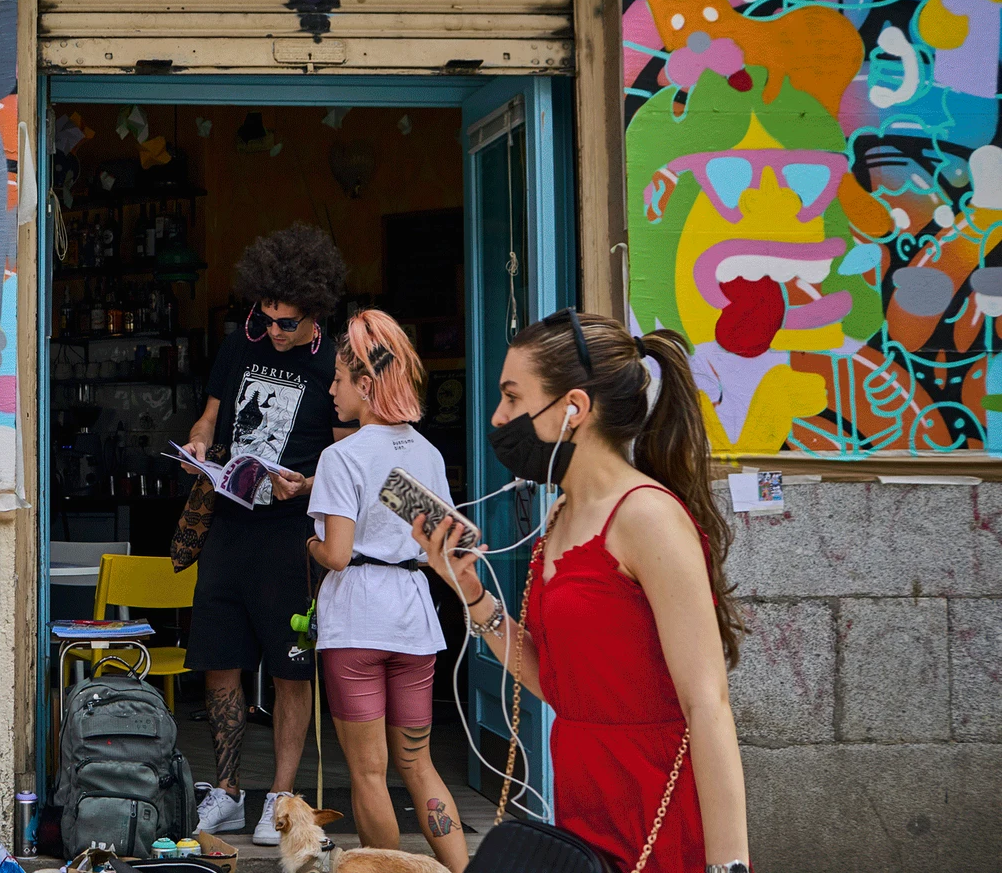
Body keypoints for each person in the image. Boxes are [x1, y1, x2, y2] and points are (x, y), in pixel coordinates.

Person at [412, 310, 751, 873]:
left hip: (656, 806)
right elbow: (559, 684)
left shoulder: (648, 517)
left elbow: (707, 703)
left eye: (513, 398)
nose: (497, 418)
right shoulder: (563, 513)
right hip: (585, 807)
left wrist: (729, 866)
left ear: (574, 408)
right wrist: (470, 592)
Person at [178, 223, 352, 843]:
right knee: (219, 661)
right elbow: (212, 412)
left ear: (315, 317)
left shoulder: (335, 365)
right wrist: (200, 442)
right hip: (229, 522)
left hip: (292, 537)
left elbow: (348, 456)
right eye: (265, 317)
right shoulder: (241, 342)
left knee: (289, 668)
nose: (272, 331)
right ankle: (224, 791)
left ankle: (279, 796)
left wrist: (305, 486)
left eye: (285, 323)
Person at [302, 310, 467, 872]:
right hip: (414, 619)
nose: (330, 388)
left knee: (369, 773)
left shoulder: (341, 456)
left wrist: (311, 545)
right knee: (418, 765)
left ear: (366, 386)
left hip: (356, 621)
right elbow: (435, 550)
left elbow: (339, 554)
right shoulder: (425, 454)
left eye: (339, 379)